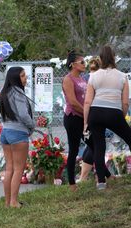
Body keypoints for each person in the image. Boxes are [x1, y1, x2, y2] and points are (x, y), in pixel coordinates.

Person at [84, 45, 131, 190]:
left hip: (95, 112)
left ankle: (101, 183)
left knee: (99, 146)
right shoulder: (122, 76)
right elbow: (125, 102)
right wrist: (121, 117)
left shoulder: (93, 76)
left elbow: (87, 101)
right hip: (114, 112)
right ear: (114, 57)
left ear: (101, 59)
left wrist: (86, 122)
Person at [0, 66, 35, 208]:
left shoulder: (5, 92)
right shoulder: (18, 93)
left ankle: (7, 202)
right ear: (15, 78)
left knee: (9, 168)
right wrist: (32, 126)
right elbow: (23, 114)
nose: (26, 78)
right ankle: (14, 201)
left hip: (5, 132)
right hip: (18, 133)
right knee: (19, 169)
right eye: (23, 76)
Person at [62, 50, 89, 191]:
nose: (85, 64)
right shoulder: (68, 79)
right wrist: (86, 114)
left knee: (94, 145)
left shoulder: (82, 78)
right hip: (73, 118)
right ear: (73, 64)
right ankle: (72, 183)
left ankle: (106, 176)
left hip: (83, 117)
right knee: (73, 149)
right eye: (82, 62)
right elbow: (72, 101)